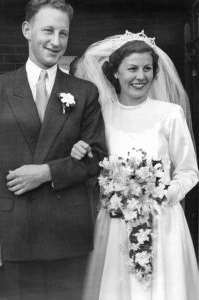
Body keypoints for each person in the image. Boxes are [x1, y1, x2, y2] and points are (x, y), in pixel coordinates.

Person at [0, 0, 106, 299]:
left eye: (63, 33)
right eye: (48, 30)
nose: (56, 41)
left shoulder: (84, 92)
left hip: (68, 230)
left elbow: (97, 157)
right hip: (15, 228)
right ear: (27, 30)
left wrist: (47, 172)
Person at [71, 31, 199, 300]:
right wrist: (79, 151)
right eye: (131, 68)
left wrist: (166, 193)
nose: (140, 76)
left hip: (162, 221)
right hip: (116, 222)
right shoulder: (102, 116)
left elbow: (189, 171)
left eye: (147, 68)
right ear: (115, 73)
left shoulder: (170, 114)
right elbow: (94, 164)